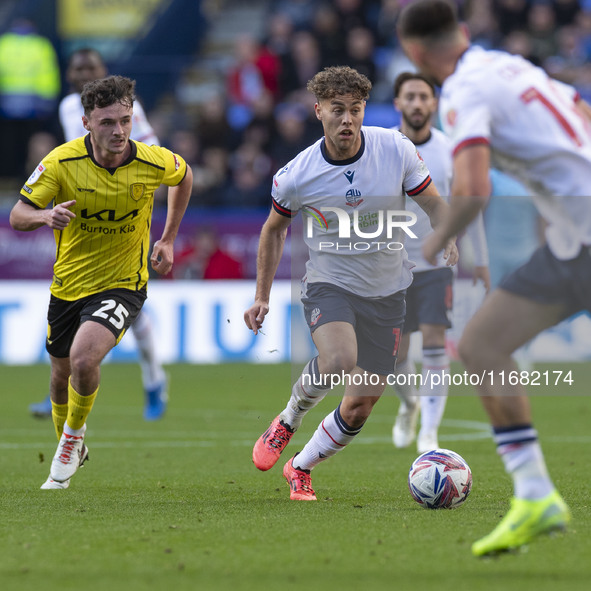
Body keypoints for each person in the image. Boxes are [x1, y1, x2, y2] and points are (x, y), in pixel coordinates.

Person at [397, 0, 591, 555]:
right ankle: (534, 497)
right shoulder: (511, 66)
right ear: (460, 31)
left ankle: (534, 494)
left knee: (482, 345)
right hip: (573, 241)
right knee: (482, 344)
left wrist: (434, 240)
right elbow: (579, 108)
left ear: (414, 52)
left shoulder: (464, 93)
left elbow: (474, 188)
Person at [244, 66, 457, 501]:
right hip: (330, 285)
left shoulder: (395, 149)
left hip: (389, 291)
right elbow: (272, 231)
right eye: (337, 110)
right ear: (318, 110)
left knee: (360, 405)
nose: (347, 120)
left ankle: (300, 467)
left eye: (355, 110)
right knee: (341, 358)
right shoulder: (297, 174)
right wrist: (262, 295)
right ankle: (289, 417)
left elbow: (434, 204)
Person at [10, 75, 193, 489]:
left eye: (125, 120)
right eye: (108, 122)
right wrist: (44, 217)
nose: (119, 131)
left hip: (123, 283)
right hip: (68, 286)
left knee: (83, 359)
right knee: (59, 378)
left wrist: (167, 237)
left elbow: (184, 177)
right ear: (86, 122)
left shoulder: (151, 160)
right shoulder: (61, 162)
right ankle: (71, 441)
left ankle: (70, 444)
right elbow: (18, 215)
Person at [28, 48, 169, 421]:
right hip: (82, 220)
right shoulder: (67, 108)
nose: (82, 74)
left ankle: (155, 382)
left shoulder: (125, 111)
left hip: (123, 213)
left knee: (133, 313)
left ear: (103, 71)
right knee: (68, 310)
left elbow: (153, 152)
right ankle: (59, 388)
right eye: (77, 69)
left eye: (90, 68)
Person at [390, 72, 490, 454]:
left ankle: (430, 431)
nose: (417, 104)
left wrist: (479, 258)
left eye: (423, 97)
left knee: (434, 340)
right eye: (409, 97)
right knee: (396, 353)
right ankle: (409, 404)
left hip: (436, 265)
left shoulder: (450, 151)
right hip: (391, 267)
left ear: (433, 104)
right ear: (398, 103)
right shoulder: (383, 147)